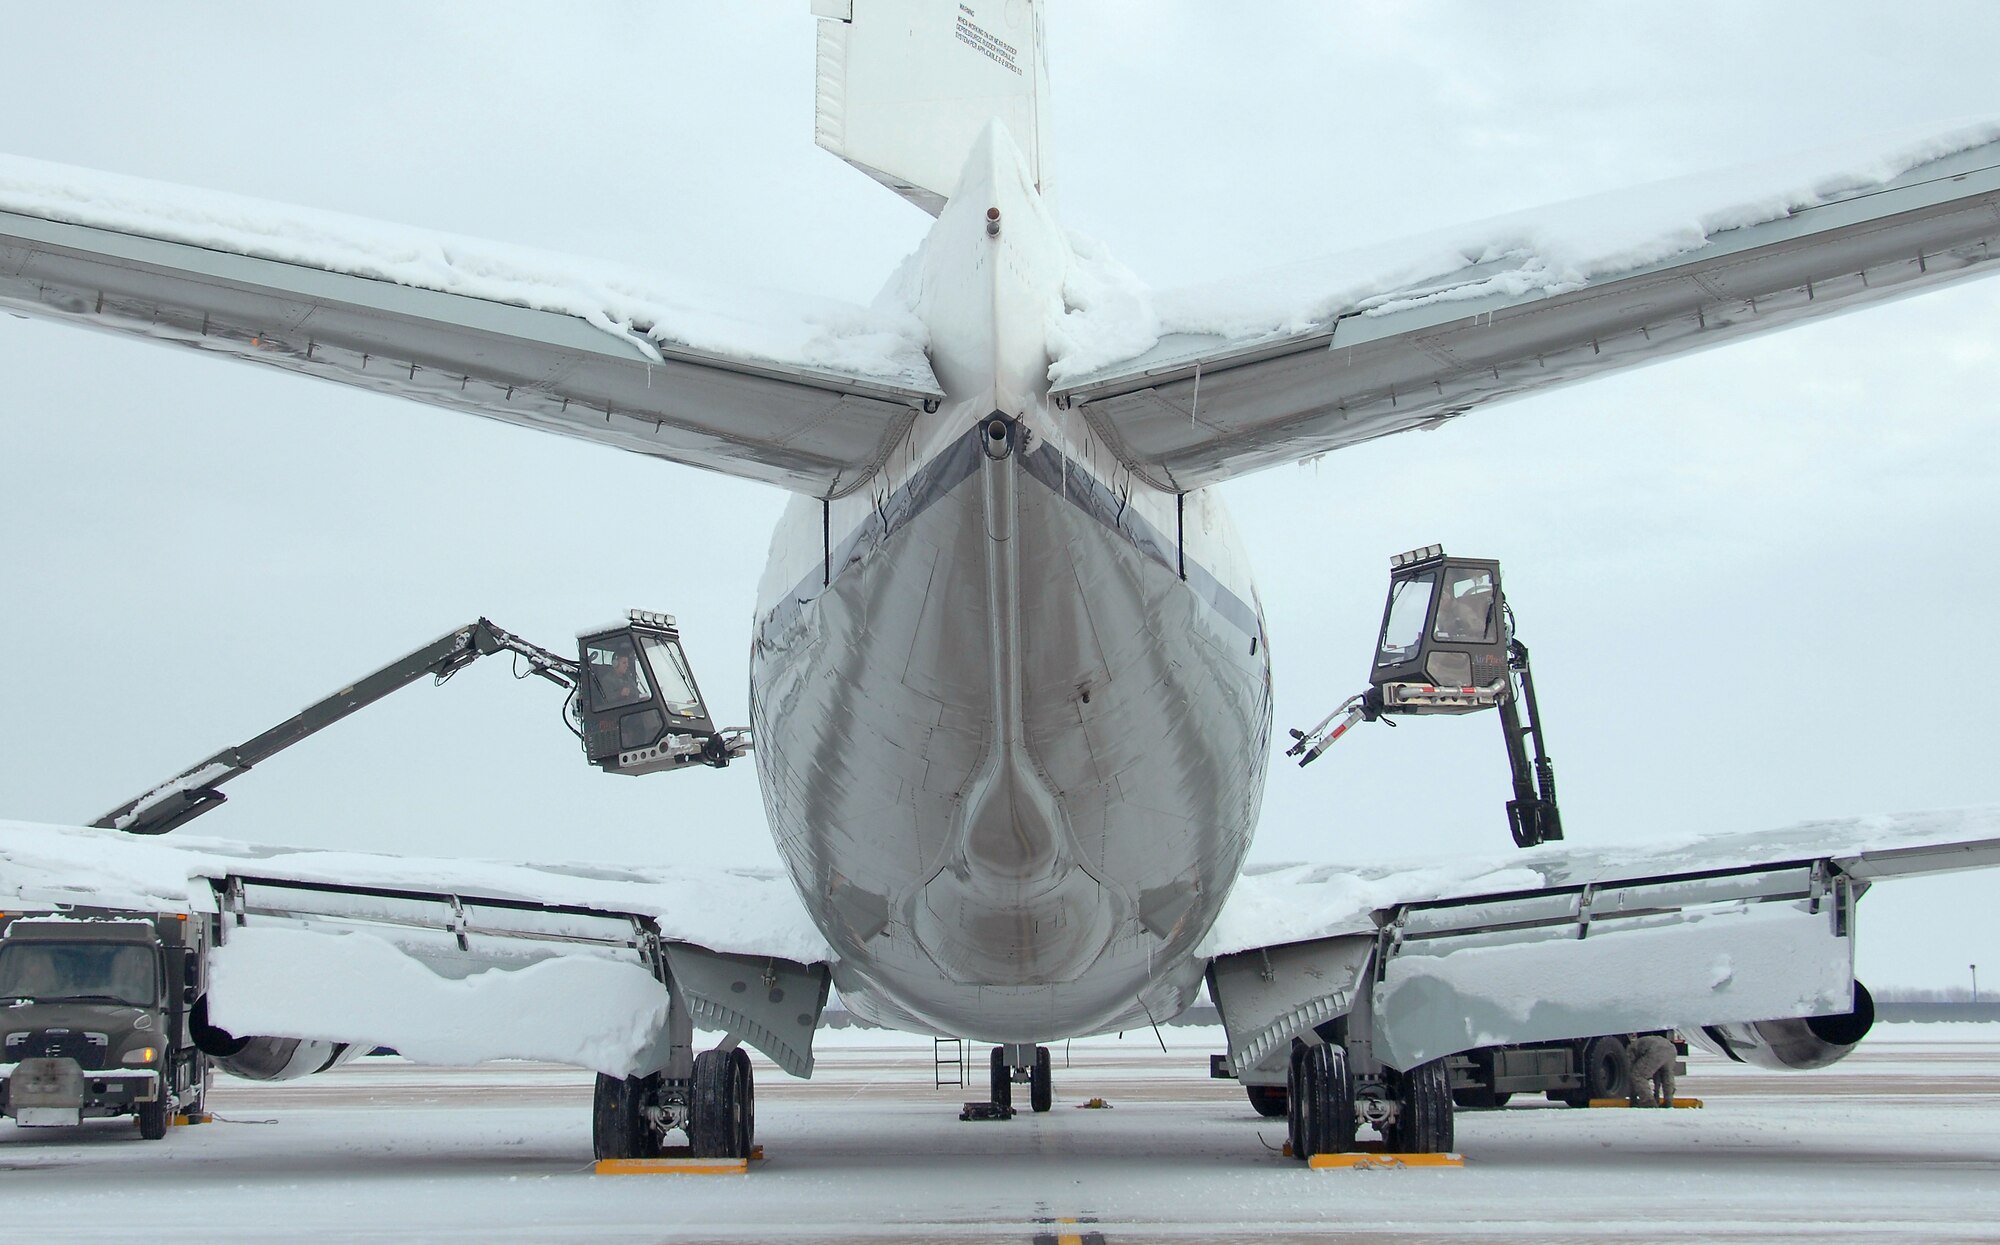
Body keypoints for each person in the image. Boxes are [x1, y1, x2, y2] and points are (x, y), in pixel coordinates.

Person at [1628, 1033, 1677, 1107]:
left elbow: (1631, 1065)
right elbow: (1656, 1076)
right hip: (1671, 1049)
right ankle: (1668, 1101)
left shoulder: (1631, 1048)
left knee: (1637, 1075)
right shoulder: (1641, 1042)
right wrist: (1656, 1094)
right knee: (1667, 1075)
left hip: (1655, 1049)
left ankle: (1648, 1101)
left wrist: (1633, 1098)